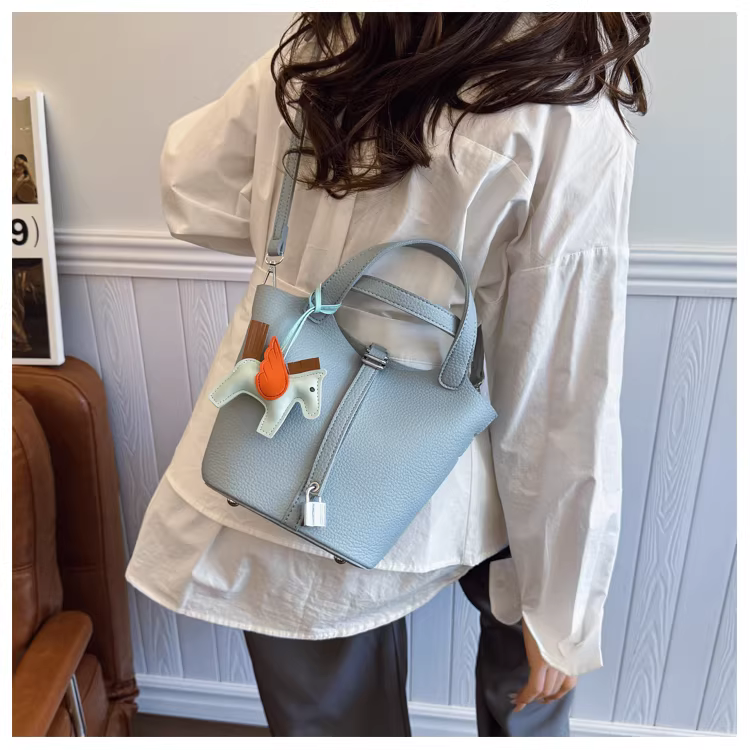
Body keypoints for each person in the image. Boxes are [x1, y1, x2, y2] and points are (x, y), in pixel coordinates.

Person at [125, 11, 650, 737]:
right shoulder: (562, 104)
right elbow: (562, 392)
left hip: (286, 434)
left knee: (332, 715)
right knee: (530, 680)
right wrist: (564, 615)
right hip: (469, 443)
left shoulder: (327, 48)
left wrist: (319, 235)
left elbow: (193, 190)